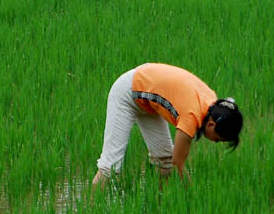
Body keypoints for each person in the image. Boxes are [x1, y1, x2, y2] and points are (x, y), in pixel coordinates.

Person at [91, 63, 243, 188]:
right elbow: (179, 165)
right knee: (111, 166)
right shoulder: (191, 116)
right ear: (211, 125)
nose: (213, 141)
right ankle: (89, 212)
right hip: (128, 92)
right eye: (216, 139)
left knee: (165, 160)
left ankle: (158, 203)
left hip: (148, 99)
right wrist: (194, 196)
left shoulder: (212, 104)